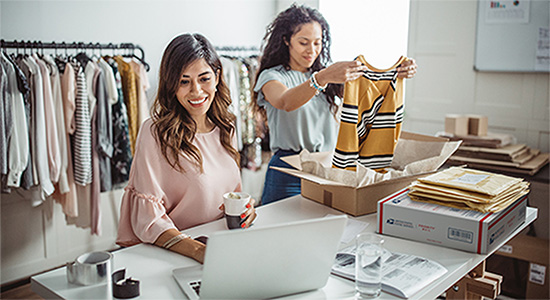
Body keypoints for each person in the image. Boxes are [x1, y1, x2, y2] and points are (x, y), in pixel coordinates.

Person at [254, 4, 417, 205]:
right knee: (278, 230)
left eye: (317, 43)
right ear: (287, 41)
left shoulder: (328, 77)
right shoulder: (272, 76)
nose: (311, 50)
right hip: (288, 170)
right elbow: (285, 101)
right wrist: (321, 78)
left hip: (326, 168)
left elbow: (369, 90)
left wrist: (398, 72)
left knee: (322, 229)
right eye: (303, 42)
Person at [116, 33, 257, 263]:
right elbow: (148, 220)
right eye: (184, 81)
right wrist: (198, 251)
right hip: (175, 255)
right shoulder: (155, 133)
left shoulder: (226, 127)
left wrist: (246, 210)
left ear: (217, 77)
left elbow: (231, 195)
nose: (196, 91)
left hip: (223, 247)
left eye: (204, 79)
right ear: (171, 84)